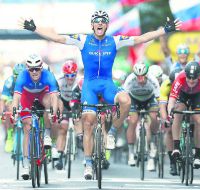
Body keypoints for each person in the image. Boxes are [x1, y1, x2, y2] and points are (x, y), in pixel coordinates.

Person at [20, 10, 181, 179]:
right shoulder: (82, 39)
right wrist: (35, 28)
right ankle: (88, 164)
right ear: (92, 25)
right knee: (88, 122)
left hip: (107, 85)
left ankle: (111, 133)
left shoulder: (115, 40)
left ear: (106, 25)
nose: (100, 23)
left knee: (126, 100)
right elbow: (57, 38)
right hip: (89, 86)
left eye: (103, 21)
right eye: (96, 21)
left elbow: (141, 38)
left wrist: (164, 30)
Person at [11, 54, 59, 180]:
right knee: (27, 128)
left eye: (37, 68)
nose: (34, 71)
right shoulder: (22, 77)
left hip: (44, 95)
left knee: (48, 106)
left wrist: (53, 111)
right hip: (27, 98)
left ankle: (47, 135)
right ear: (27, 69)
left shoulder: (48, 76)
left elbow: (54, 96)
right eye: (31, 69)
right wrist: (15, 111)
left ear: (41, 68)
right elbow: (16, 97)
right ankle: (26, 165)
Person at [167, 61, 200, 169]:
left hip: (197, 96)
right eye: (189, 78)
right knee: (177, 112)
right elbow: (172, 99)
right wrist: (170, 112)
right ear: (186, 75)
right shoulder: (180, 78)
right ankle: (176, 147)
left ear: (199, 76)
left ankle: (197, 156)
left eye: (194, 78)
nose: (191, 80)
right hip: (182, 96)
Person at [123, 62, 160, 171]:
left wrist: (159, 113)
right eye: (138, 76)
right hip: (134, 99)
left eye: (143, 76)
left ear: (147, 74)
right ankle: (131, 153)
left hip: (149, 98)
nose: (140, 79)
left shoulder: (153, 80)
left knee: (154, 117)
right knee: (133, 121)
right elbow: (125, 97)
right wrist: (126, 114)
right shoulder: (130, 80)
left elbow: (158, 99)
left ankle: (152, 142)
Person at [54, 60, 80, 170]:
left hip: (76, 102)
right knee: (63, 128)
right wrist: (58, 113)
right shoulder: (59, 81)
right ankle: (60, 155)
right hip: (63, 103)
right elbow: (56, 98)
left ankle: (80, 138)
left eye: (72, 75)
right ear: (64, 74)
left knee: (78, 120)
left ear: (76, 74)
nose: (70, 78)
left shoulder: (79, 81)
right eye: (67, 75)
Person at [159, 67, 182, 175]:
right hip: (170, 105)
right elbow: (163, 106)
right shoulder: (165, 85)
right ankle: (172, 163)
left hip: (183, 103)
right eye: (173, 83)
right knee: (169, 131)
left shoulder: (186, 83)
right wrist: (165, 119)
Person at [0, 63, 26, 153]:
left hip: (24, 99)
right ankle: (10, 135)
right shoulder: (9, 81)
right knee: (9, 108)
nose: (19, 79)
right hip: (12, 99)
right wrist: (2, 112)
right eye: (16, 76)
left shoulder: (29, 80)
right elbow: (3, 99)